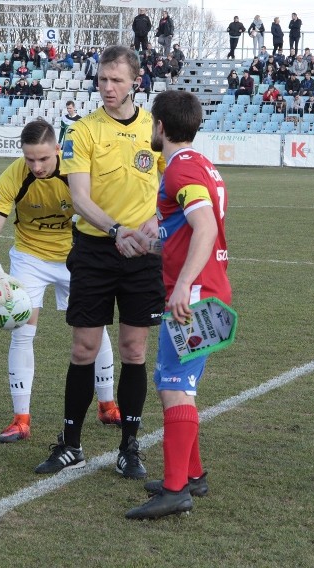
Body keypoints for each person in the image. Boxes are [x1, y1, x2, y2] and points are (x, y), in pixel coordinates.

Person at [34, 45, 165, 480]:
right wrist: (116, 231)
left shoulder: (155, 128)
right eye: (103, 80)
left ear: (136, 82)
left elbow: (167, 191)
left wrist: (147, 225)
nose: (108, 88)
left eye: (117, 80)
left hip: (142, 254)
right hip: (95, 250)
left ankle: (130, 445)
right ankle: (70, 444)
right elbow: (79, 197)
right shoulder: (83, 130)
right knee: (84, 348)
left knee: (133, 350)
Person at [111, 89, 231, 520]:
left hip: (195, 297)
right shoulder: (199, 166)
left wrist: (182, 286)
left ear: (160, 127)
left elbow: (203, 228)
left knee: (174, 388)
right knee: (176, 384)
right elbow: (183, 224)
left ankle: (177, 489)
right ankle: (191, 476)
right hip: (206, 291)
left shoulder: (180, 171)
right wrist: (148, 236)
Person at [0, 120, 121, 444]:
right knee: (22, 330)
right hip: (30, 258)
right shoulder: (15, 174)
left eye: (43, 159)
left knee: (94, 327)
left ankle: (107, 404)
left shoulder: (76, 172)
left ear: (58, 149)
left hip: (77, 256)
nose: (37, 166)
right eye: (30, 159)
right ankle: (21, 419)